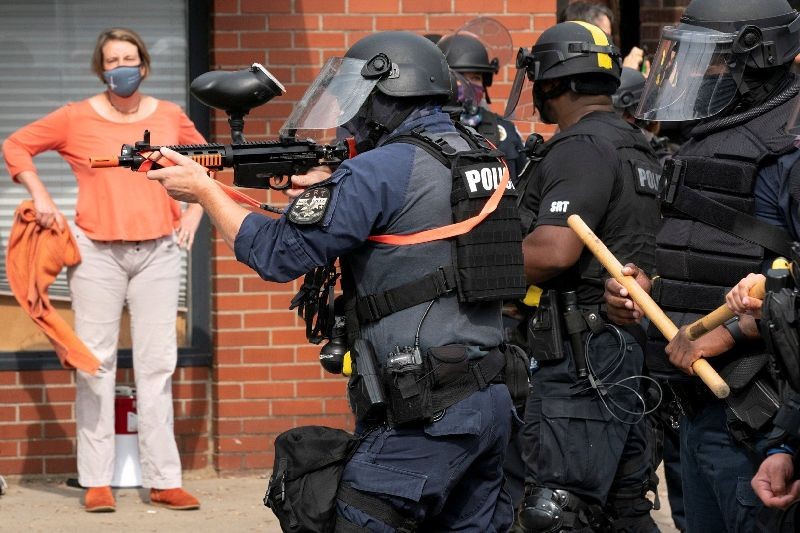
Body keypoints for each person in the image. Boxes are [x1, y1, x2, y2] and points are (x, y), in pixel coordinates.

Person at [147, 31, 528, 530]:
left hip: (427, 409)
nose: (350, 114)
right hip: (491, 394)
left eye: (358, 99)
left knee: (355, 517)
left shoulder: (378, 170)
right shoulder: (479, 152)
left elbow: (277, 253)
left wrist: (204, 191)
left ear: (387, 95)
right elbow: (414, 219)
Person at [603, 1, 800, 530]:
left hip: (766, 423)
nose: (692, 73)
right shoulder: (709, 137)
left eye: (708, 60)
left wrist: (732, 331)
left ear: (754, 59)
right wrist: (646, 293)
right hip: (696, 412)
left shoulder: (790, 149)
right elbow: (699, 251)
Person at [2, 27, 204, 513]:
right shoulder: (75, 117)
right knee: (95, 366)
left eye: (130, 58)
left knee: (158, 367)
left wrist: (197, 209)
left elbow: (208, 162)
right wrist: (41, 194)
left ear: (145, 65)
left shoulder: (171, 116)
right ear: (102, 69)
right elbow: (16, 145)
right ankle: (96, 480)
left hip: (157, 252)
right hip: (96, 255)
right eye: (112, 60)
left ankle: (164, 479)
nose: (122, 67)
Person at [504, 20, 662, 532]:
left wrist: (465, 259)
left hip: (580, 363)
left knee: (558, 513)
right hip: (620, 353)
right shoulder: (635, 143)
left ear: (552, 82)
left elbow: (553, 251)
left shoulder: (581, 146)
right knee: (622, 511)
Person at [437, 25, 526, 181]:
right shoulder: (429, 129)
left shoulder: (505, 132)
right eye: (461, 77)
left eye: (476, 78)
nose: (469, 84)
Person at [559, 1, 648, 74]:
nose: (609, 46)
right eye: (604, 37)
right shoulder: (569, 77)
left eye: (609, 38)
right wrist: (628, 74)